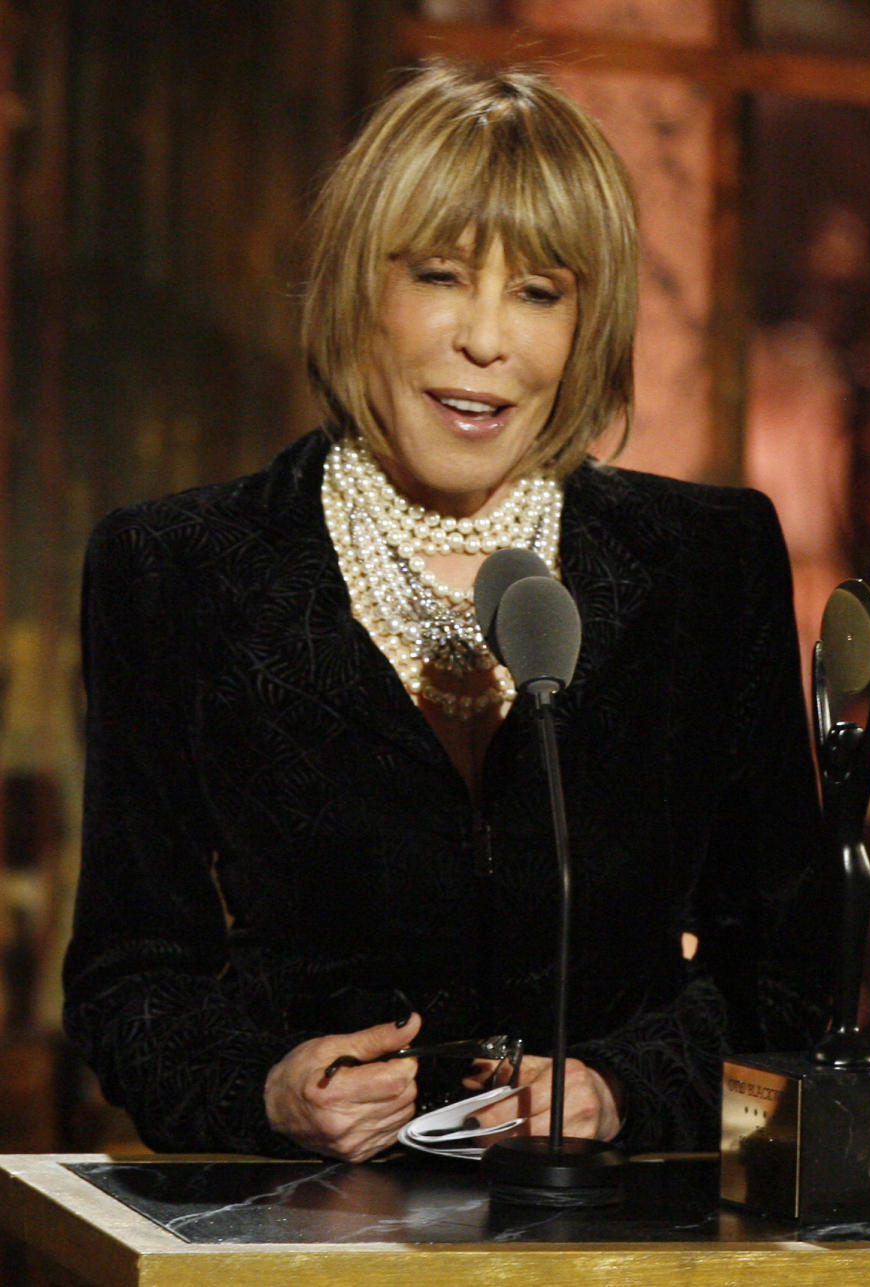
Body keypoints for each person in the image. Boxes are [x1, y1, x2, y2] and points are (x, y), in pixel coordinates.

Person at [63, 62, 831, 1164]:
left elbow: (791, 968)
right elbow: (130, 978)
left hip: (629, 1236)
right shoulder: (176, 569)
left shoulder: (706, 564)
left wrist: (625, 1092)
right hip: (309, 1241)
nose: (486, 339)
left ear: (586, 322)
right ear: (356, 291)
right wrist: (269, 1090)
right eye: (439, 276)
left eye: (539, 291)